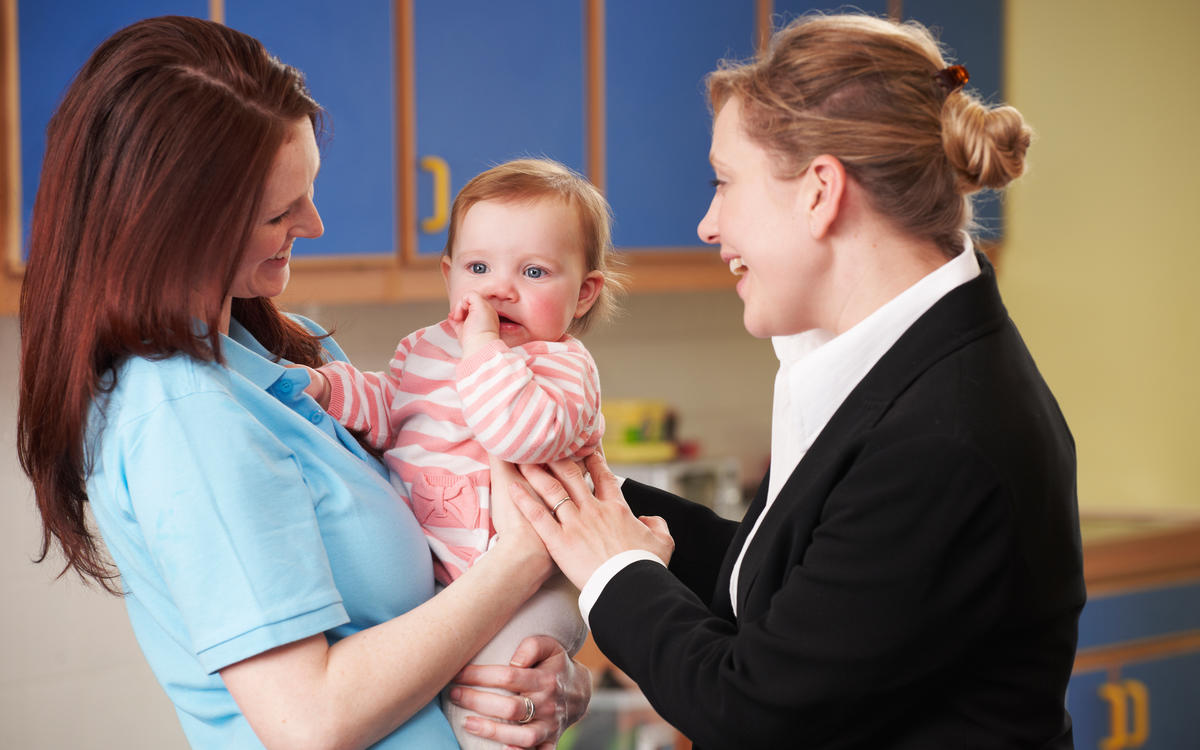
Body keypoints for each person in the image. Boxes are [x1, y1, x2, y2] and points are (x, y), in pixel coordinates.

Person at [504, 13, 1086, 750]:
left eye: (724, 183)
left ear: (819, 191)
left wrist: (612, 572)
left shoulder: (944, 438)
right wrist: (582, 497)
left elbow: (756, 707)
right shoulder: (893, 363)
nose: (708, 224)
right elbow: (792, 587)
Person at [16, 15, 589, 750]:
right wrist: (522, 560)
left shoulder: (291, 359)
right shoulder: (183, 413)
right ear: (178, 224)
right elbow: (306, 721)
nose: (314, 224)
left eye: (308, 192)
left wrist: (544, 681)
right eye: (281, 212)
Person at [297, 158, 622, 749]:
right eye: (478, 267)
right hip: (445, 586)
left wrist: (481, 346)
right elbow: (387, 408)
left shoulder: (564, 368)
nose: (500, 288)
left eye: (533, 271)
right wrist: (330, 387)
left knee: (493, 704)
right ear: (449, 276)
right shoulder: (423, 349)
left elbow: (518, 433)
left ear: (584, 293)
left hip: (535, 589)